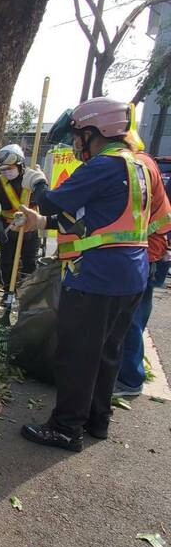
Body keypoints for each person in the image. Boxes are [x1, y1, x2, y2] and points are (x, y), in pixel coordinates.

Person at [14, 97, 155, 451]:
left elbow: (52, 201)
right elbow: (90, 221)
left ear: (97, 131)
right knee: (108, 352)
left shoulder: (103, 166)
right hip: (130, 276)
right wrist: (40, 223)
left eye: (79, 135)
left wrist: (37, 184)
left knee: (77, 354)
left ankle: (64, 429)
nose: (76, 143)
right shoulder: (137, 166)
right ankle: (96, 421)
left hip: (96, 278)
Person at [115, 151, 171, 396]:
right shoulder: (144, 165)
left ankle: (129, 380)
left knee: (131, 320)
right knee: (135, 317)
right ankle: (128, 371)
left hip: (147, 254)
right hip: (151, 252)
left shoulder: (138, 168)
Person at [0, 144, 39, 299]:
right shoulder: (0, 182)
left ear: (19, 165)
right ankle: (8, 291)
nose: (6, 172)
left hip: (29, 228)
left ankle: (27, 293)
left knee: (29, 262)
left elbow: (42, 201)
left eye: (9, 168)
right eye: (3, 170)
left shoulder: (33, 177)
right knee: (7, 262)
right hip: (8, 229)